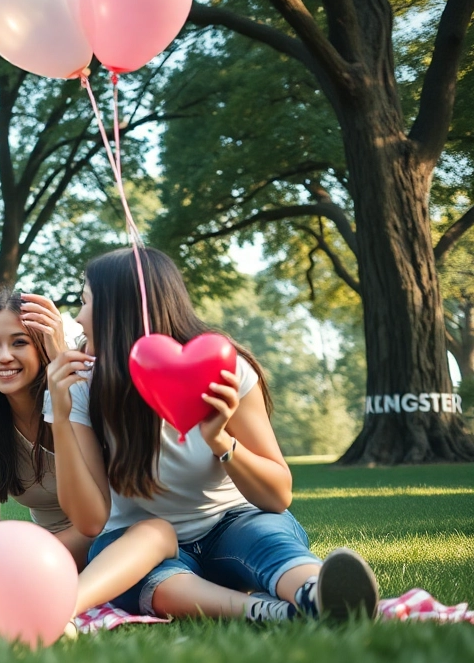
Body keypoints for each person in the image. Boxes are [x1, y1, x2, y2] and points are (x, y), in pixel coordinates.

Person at [55, 247, 379, 622]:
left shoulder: (223, 370)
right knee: (146, 578)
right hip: (140, 542)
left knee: (268, 541)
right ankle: (272, 613)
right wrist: (61, 419)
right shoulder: (79, 385)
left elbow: (277, 496)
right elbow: (91, 523)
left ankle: (317, 591)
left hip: (233, 522)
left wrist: (221, 440)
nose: (77, 318)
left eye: (85, 301)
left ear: (118, 309)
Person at [0, 288, 178, 616]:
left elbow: (94, 523)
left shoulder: (81, 397)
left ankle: (50, 600)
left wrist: (60, 354)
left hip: (112, 539)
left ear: (42, 347)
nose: (4, 356)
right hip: (47, 550)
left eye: (19, 342)